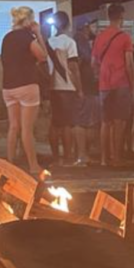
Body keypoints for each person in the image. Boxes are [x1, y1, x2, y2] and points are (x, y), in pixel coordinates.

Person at [0, 6, 48, 174]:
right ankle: (33, 165)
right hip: (27, 84)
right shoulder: (27, 37)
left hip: (8, 86)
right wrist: (39, 34)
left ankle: (10, 163)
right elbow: (43, 56)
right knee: (27, 129)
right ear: (28, 20)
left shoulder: (6, 37)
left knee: (13, 126)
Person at [94, 3, 134, 168]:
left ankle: (104, 158)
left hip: (104, 84)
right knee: (119, 122)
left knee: (105, 122)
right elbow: (129, 64)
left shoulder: (99, 37)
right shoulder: (124, 37)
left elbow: (94, 62)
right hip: (121, 83)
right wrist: (133, 85)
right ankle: (116, 157)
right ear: (121, 17)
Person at [47, 11, 81, 166]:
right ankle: (68, 157)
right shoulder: (69, 42)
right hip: (67, 87)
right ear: (67, 24)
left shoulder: (48, 42)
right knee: (67, 124)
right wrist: (79, 88)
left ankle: (55, 156)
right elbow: (73, 67)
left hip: (52, 86)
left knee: (55, 123)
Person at [73, 19, 101, 166]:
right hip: (86, 86)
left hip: (89, 86)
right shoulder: (79, 40)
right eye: (93, 26)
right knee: (84, 121)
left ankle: (84, 153)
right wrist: (79, 88)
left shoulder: (85, 41)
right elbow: (77, 65)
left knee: (90, 121)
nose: (95, 29)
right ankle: (82, 154)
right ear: (85, 27)